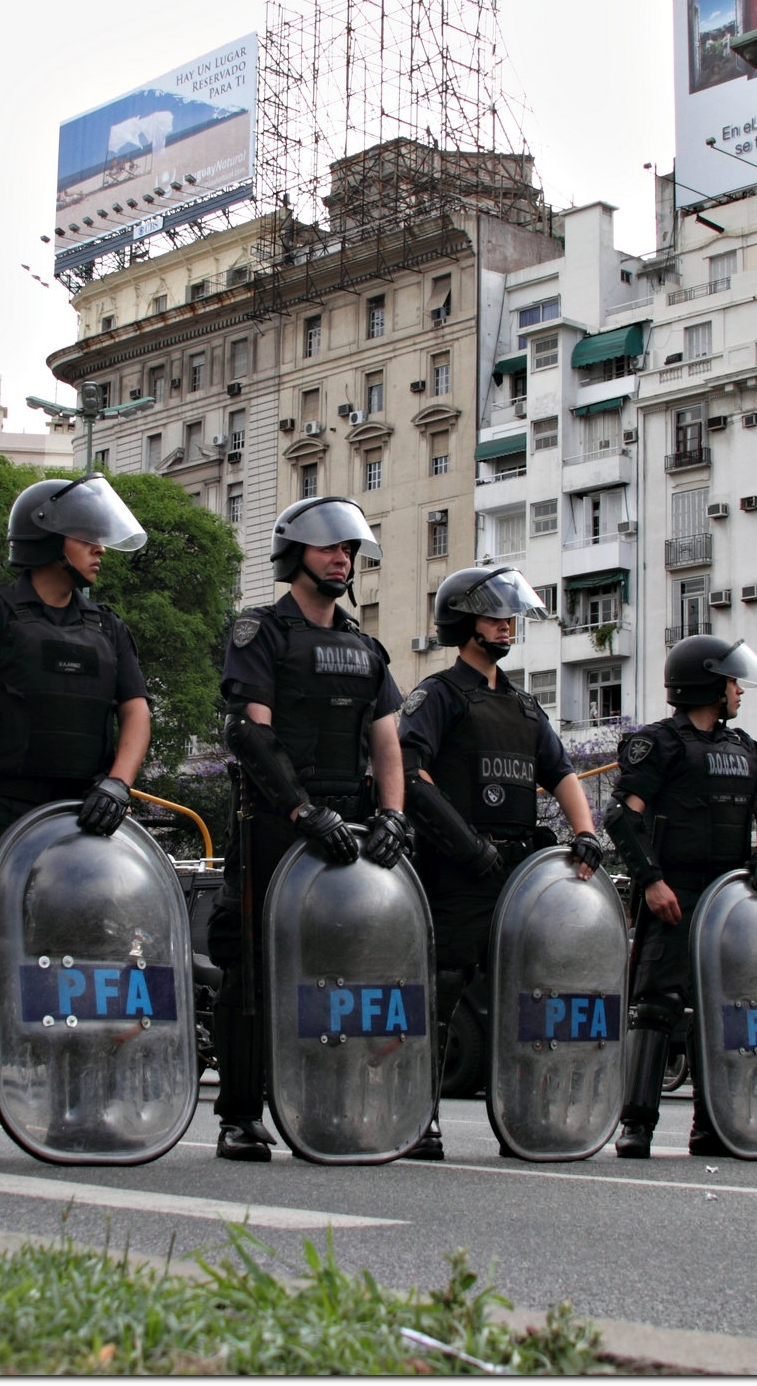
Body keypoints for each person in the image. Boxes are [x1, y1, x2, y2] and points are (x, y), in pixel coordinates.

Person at [0, 473, 153, 1162]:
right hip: (1, 806)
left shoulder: (106, 626)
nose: (100, 549)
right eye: (86, 536)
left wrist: (117, 782)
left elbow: (135, 712)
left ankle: (78, 1107)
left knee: (86, 962)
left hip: (81, 814)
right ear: (48, 540)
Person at [209, 496, 413, 1162]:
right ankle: (240, 1114)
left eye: (349, 550)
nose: (341, 559)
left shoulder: (364, 645)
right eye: (329, 548)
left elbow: (387, 744)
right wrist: (299, 810)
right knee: (250, 966)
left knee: (341, 971)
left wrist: (391, 817)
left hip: (348, 825)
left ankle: (322, 1106)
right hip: (273, 821)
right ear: (295, 554)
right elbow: (251, 734)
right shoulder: (261, 631)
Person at [399, 564, 604, 1160]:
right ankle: (418, 1120)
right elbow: (411, 773)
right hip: (460, 870)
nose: (507, 625)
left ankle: (528, 1120)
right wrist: (465, 843)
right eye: (493, 616)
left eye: (509, 616)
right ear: (464, 623)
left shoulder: (522, 705)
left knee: (531, 993)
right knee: (443, 989)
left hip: (520, 872)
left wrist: (586, 833)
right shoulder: (437, 695)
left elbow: (560, 771)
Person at [604, 634, 757, 1158]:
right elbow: (623, 815)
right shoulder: (657, 743)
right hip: (675, 891)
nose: (739, 691)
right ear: (707, 683)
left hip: (729, 895)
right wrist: (652, 881)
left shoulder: (743, 747)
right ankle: (636, 1124)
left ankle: (715, 1125)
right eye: (731, 681)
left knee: (724, 1007)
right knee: (657, 1005)